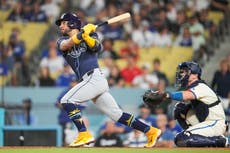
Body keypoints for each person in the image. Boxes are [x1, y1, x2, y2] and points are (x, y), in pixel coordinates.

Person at [55, 12, 161, 147]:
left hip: (94, 78)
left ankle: (83, 134)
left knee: (66, 100)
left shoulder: (91, 34)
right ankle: (150, 131)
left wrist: (86, 35)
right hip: (89, 81)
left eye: (63, 23)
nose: (61, 26)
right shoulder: (61, 41)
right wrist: (82, 34)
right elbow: (66, 45)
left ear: (72, 23)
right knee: (116, 115)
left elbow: (96, 47)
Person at [144, 61, 228, 147]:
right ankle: (197, 138)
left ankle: (219, 141)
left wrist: (167, 95)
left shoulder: (200, 86)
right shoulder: (194, 86)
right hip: (206, 121)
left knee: (181, 139)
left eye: (185, 71)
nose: (181, 73)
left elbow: (186, 95)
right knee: (180, 109)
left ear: (195, 75)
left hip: (215, 123)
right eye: (181, 71)